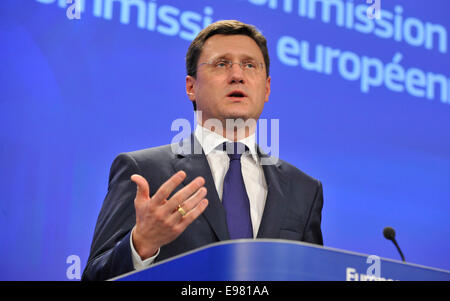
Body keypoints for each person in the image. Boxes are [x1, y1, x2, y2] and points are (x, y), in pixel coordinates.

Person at [82, 20, 324, 281]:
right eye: (221, 64)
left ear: (266, 88)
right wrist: (141, 245)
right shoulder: (144, 171)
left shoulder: (304, 189)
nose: (237, 75)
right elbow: (94, 277)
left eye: (249, 65)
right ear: (190, 87)